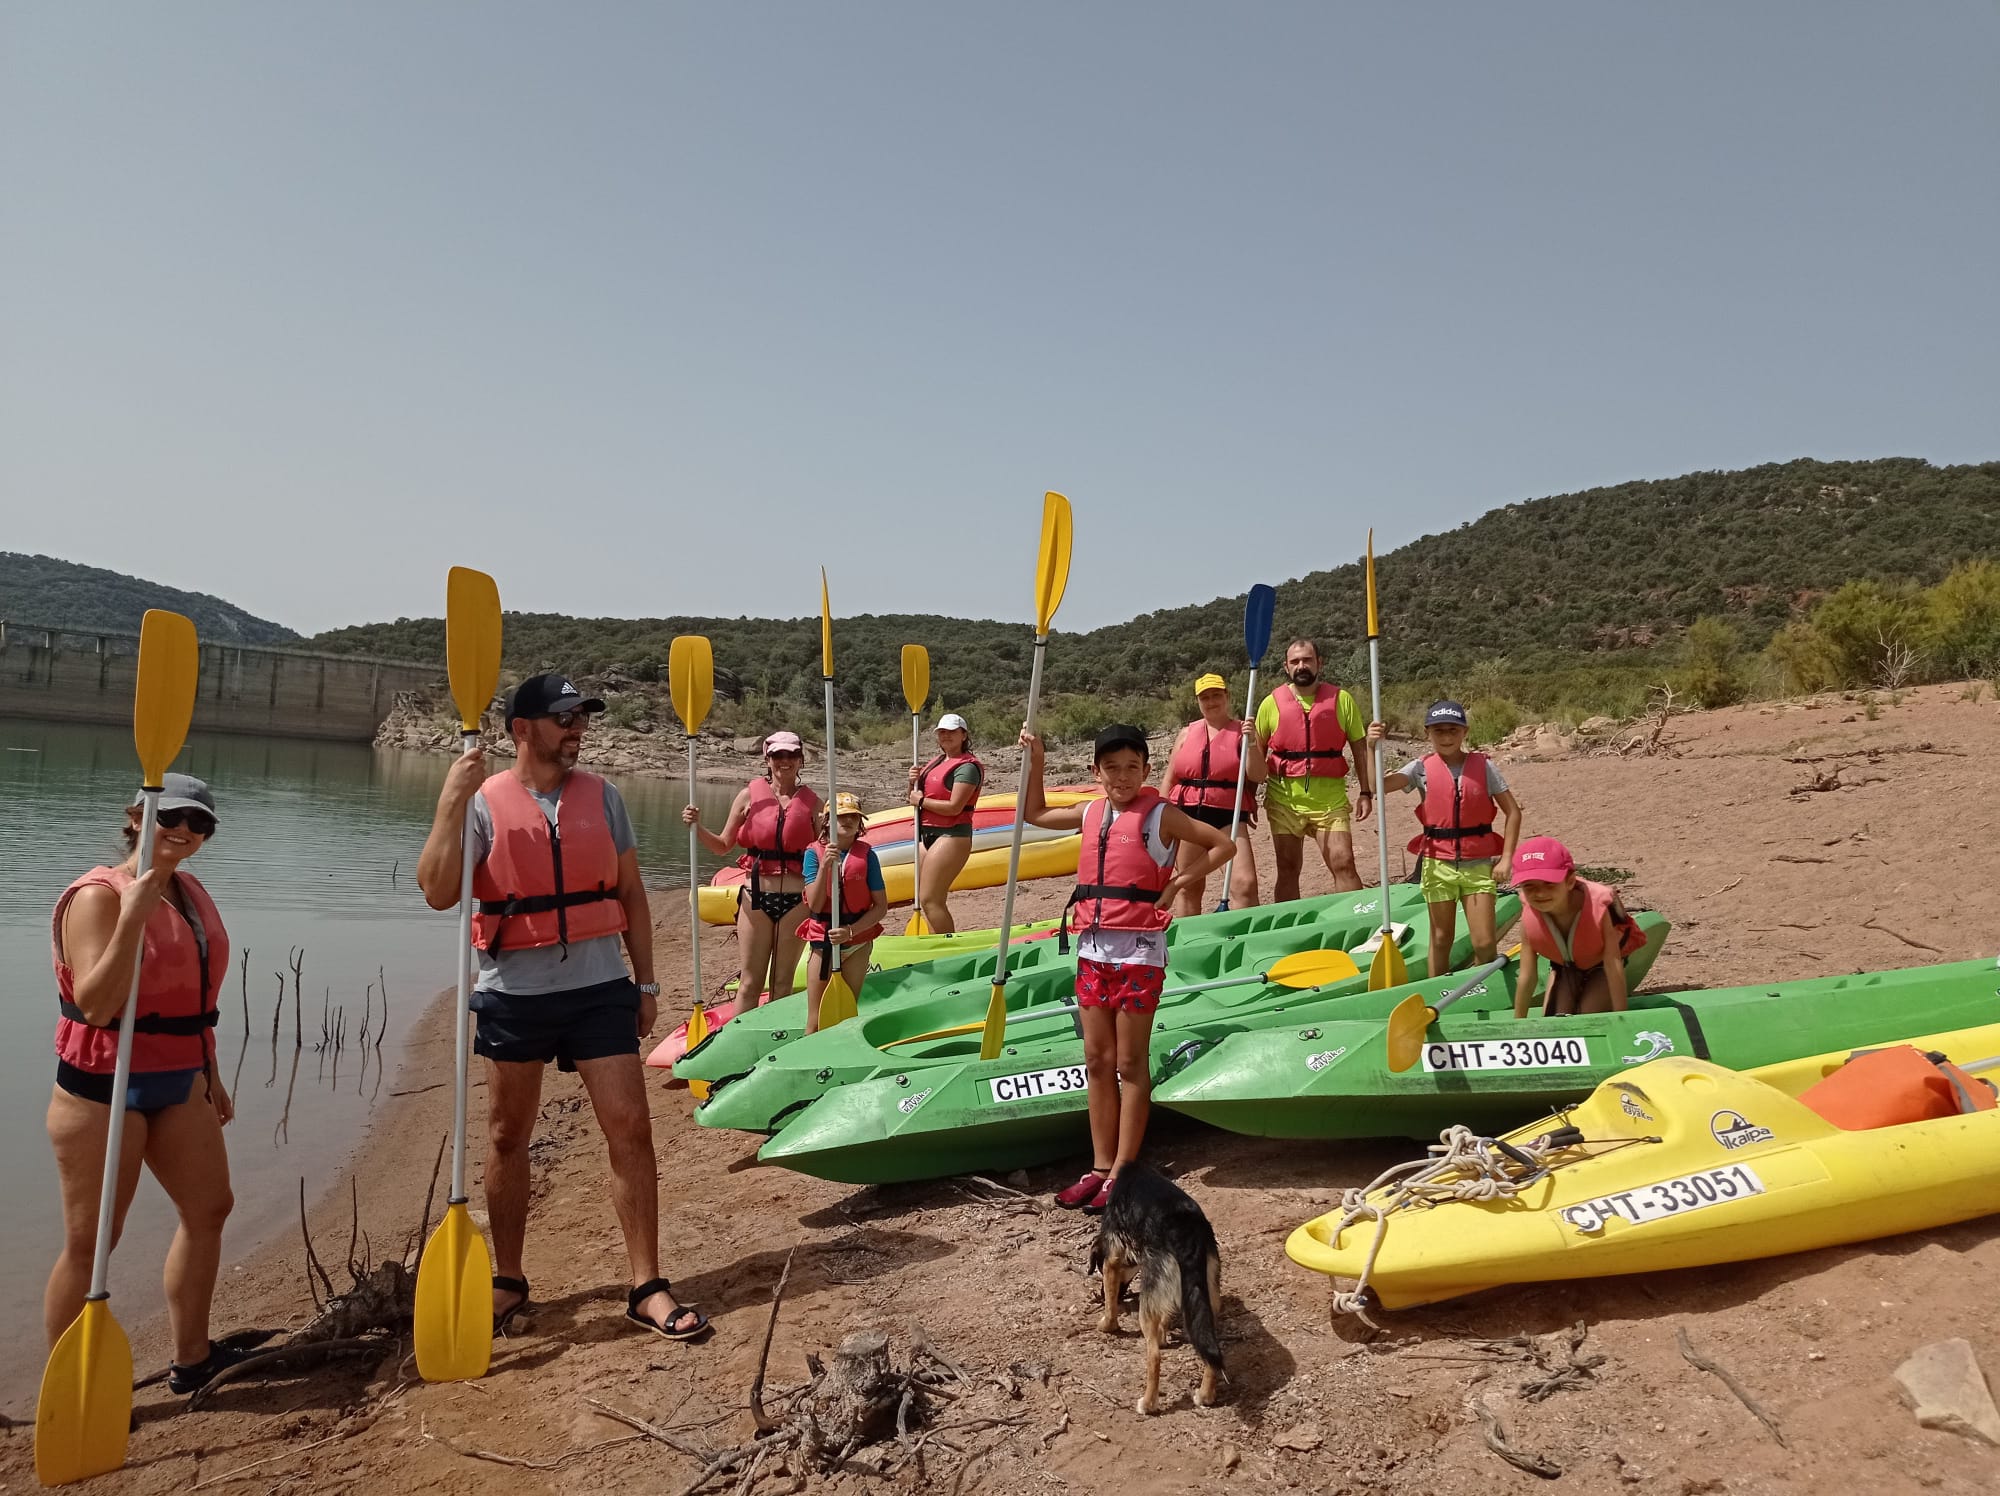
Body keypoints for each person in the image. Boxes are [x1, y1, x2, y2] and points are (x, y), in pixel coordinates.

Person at [418, 673, 707, 1342]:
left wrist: (647, 984)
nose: (578, 727)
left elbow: (631, 893)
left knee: (630, 1128)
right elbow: (437, 891)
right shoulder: (485, 803)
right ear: (523, 729)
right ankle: (510, 1280)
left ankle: (646, 1285)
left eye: (582, 716)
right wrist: (449, 803)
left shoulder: (603, 797)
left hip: (599, 989)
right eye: (564, 717)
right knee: (505, 1137)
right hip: (514, 995)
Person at [45, 773, 247, 1394]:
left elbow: (197, 992)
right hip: (103, 1085)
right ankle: (70, 1388)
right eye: (172, 817)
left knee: (210, 1207)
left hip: (180, 1074)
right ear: (138, 816)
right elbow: (98, 1003)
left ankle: (192, 1358)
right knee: (93, 1239)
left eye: (200, 824)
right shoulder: (99, 896)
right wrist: (133, 914)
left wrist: (210, 1068)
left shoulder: (188, 892)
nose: (185, 831)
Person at [1021, 724, 1233, 1214]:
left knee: (1129, 1063)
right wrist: (1036, 758)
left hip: (1139, 951)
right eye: (1111, 767)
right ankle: (1098, 1167)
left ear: (1145, 770)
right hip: (1093, 948)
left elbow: (1224, 846)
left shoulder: (1161, 814)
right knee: (1096, 1060)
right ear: (1096, 772)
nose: (1121, 776)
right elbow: (1033, 813)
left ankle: (1124, 1171)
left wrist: (1179, 881)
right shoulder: (1090, 811)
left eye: (1132, 767)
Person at [1368, 700, 1523, 973]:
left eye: (1453, 730)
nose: (1447, 736)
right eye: (1439, 731)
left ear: (1465, 732)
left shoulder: (1484, 767)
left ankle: (1480, 986)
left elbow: (1513, 812)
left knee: (1484, 942)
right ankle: (1436, 989)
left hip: (1478, 865)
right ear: (1428, 733)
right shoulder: (1420, 768)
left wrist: (1506, 859)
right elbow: (1377, 786)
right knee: (1441, 938)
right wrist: (1370, 748)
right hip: (1437, 864)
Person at [684, 731, 821, 1009]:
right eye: (778, 756)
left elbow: (822, 851)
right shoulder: (749, 796)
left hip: (797, 902)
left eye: (792, 755)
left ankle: (775, 1040)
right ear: (767, 759)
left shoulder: (814, 804)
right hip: (755, 899)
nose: (785, 761)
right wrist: (696, 827)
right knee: (750, 981)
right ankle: (741, 1041)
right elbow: (723, 845)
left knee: (782, 982)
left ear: (801, 760)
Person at [1254, 638, 1373, 901]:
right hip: (1284, 801)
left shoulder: (1342, 700)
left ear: (1319, 663)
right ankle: (1289, 931)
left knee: (1343, 862)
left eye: (1307, 660)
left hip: (1330, 802)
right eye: (1295, 661)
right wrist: (1248, 800)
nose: (1301, 666)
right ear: (1286, 667)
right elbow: (1256, 755)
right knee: (1287, 869)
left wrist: (1366, 791)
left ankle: (1355, 922)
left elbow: (1359, 748)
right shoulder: (1270, 704)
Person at [1508, 836, 1649, 1018]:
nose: (1540, 893)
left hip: (1601, 966)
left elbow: (1612, 964)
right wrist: (1518, 1023)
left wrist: (1621, 1017)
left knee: (1587, 1014)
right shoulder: (1529, 912)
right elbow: (1527, 976)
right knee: (1556, 1019)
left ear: (1570, 881)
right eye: (1529, 886)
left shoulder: (1597, 906)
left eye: (1549, 884)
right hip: (1565, 967)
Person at [1159, 673, 1265, 914]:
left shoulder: (1244, 732)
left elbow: (1258, 775)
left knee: (1245, 885)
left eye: (1216, 695)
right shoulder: (1186, 734)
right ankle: (1191, 941)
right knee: (1189, 886)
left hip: (1228, 817)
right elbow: (1170, 777)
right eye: (1205, 697)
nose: (1211, 701)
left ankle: (1246, 937)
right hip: (1189, 818)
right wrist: (1158, 815)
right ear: (1198, 701)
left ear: (1226, 696)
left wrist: (1251, 744)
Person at [798, 793, 889, 1033]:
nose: (847, 821)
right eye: (841, 816)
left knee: (846, 1013)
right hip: (824, 942)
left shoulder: (867, 856)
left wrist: (851, 931)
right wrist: (826, 867)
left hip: (857, 941)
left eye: (853, 817)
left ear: (860, 823)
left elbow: (881, 907)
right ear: (828, 821)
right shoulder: (813, 854)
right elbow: (814, 905)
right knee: (816, 1020)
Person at [906, 713, 983, 934]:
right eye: (942, 732)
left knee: (930, 899)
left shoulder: (967, 767)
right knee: (927, 900)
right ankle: (934, 942)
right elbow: (912, 798)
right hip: (926, 835)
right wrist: (911, 782)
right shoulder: (935, 763)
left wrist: (920, 800)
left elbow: (954, 807)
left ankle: (947, 945)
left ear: (963, 735)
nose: (946, 736)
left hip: (952, 835)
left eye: (951, 732)